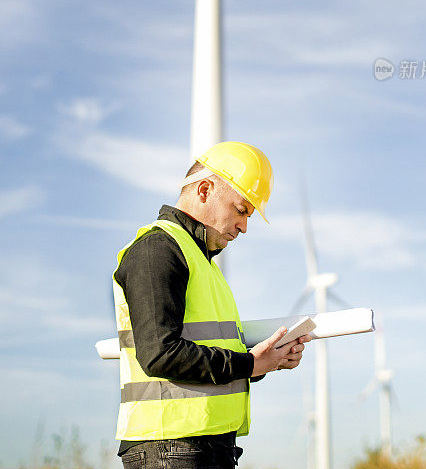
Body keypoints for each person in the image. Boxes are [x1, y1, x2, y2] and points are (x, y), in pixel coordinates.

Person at [113, 141, 310, 469]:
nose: (244, 226)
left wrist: (268, 360)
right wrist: (250, 364)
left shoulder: (205, 266)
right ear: (204, 189)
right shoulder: (157, 250)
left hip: (204, 448)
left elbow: (213, 356)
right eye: (241, 209)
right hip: (170, 449)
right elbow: (160, 354)